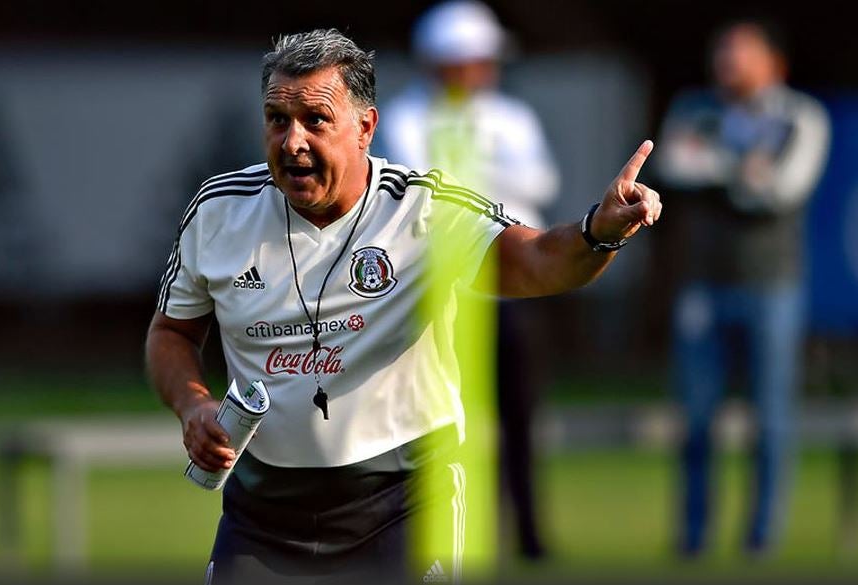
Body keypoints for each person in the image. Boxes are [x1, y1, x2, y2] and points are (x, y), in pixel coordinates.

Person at [145, 28, 661, 584]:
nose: (292, 140)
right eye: (276, 119)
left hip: (402, 506)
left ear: (365, 127)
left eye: (315, 120)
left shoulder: (422, 209)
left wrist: (598, 231)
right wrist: (194, 405)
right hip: (262, 514)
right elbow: (171, 334)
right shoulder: (219, 211)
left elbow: (541, 261)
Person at [376, 0, 560, 560]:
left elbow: (541, 181)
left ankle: (527, 537)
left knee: (521, 416)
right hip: (439, 285)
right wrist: (480, 174)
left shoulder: (511, 116)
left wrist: (465, 167)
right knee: (437, 415)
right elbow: (417, 186)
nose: (482, 70)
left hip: (510, 285)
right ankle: (440, 534)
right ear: (440, 63)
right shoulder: (407, 116)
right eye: (469, 59)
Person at [654, 18, 830, 557]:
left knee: (771, 418)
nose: (726, 63)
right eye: (722, 52)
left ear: (774, 63)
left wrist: (718, 169)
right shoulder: (695, 109)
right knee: (697, 417)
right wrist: (740, 168)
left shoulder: (801, 116)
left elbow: (781, 189)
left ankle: (760, 540)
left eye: (740, 53)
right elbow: (672, 166)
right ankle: (693, 536)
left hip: (772, 285)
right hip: (703, 287)